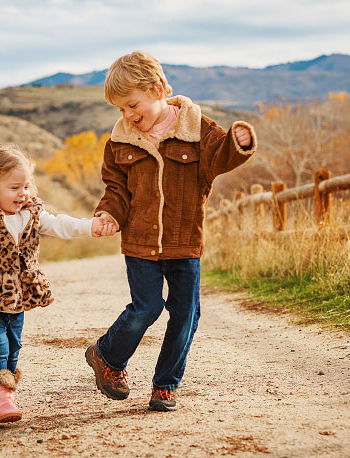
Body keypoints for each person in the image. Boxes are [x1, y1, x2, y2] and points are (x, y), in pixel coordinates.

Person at [85, 51, 257, 411]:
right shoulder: (120, 142)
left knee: (186, 313)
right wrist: (109, 215)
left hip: (184, 241)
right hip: (139, 241)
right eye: (121, 110)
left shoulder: (198, 130)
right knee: (146, 308)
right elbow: (115, 188)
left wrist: (238, 144)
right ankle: (107, 356)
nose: (129, 116)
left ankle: (165, 384)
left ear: (158, 89)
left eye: (133, 105)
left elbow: (221, 156)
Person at [0, 144, 115, 423]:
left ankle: (4, 393)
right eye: (15, 187)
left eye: (27, 186)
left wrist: (88, 226)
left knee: (14, 344)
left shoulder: (30, 214)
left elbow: (59, 224)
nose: (23, 193)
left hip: (16, 295)